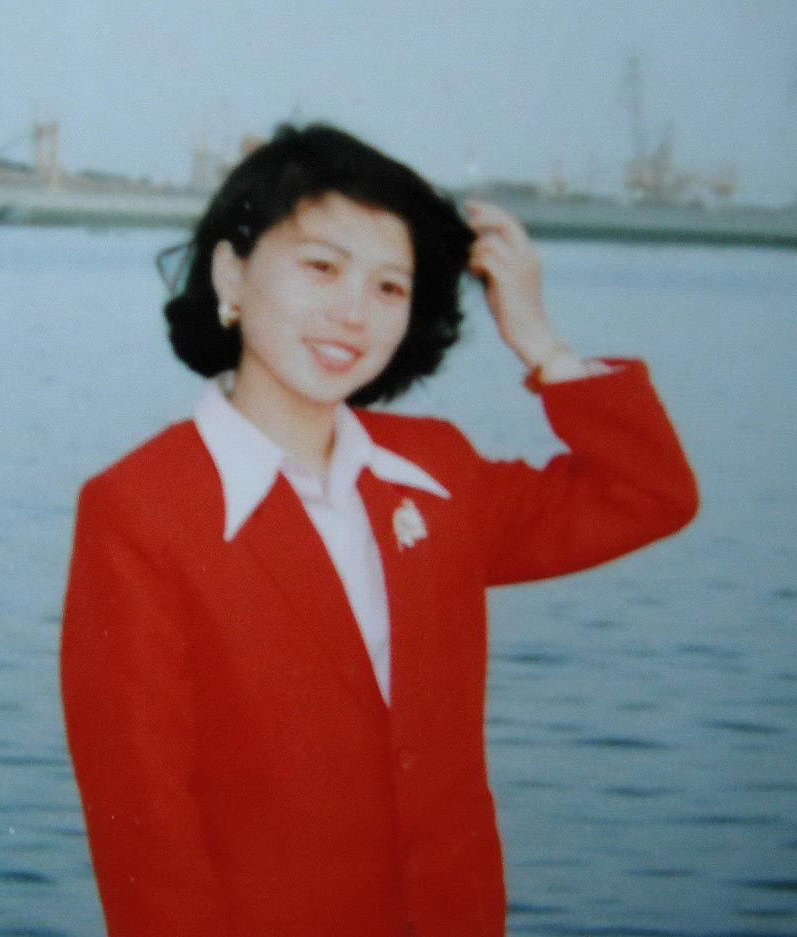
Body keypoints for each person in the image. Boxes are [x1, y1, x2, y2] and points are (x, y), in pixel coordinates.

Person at [60, 124, 698, 937]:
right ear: (232, 272)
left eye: (390, 287)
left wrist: (538, 340)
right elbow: (144, 828)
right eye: (322, 268)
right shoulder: (140, 509)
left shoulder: (436, 473)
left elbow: (650, 494)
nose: (353, 314)